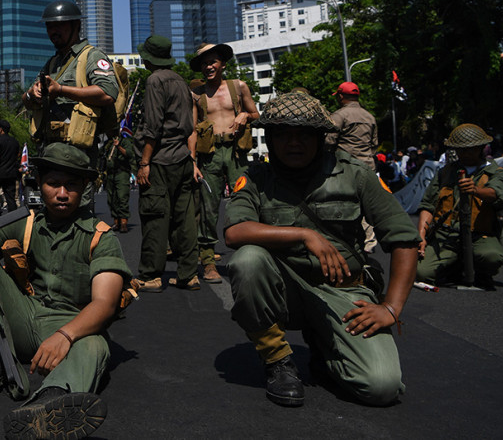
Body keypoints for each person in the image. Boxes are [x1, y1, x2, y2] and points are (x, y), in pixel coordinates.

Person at [224, 91, 420, 407]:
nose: (294, 143)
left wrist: (391, 308)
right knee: (248, 260)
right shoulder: (256, 178)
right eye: (283, 135)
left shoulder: (356, 173)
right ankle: (277, 360)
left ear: (320, 138)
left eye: (304, 134)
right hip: (283, 289)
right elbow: (235, 232)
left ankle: (326, 351)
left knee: (382, 386)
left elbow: (404, 239)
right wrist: (303, 234)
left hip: (342, 289)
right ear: (270, 139)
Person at [0, 142, 130, 439]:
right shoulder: (25, 222)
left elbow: (104, 305)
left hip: (71, 324)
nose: (62, 193)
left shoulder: (101, 238)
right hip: (24, 315)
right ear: (40, 185)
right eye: (53, 183)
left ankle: (49, 404)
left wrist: (65, 335)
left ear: (84, 188)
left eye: (71, 185)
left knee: (96, 346)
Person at [22, 0, 119, 210]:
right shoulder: (52, 63)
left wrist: (62, 90)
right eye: (49, 26)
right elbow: (27, 101)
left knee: (78, 213)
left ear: (76, 26)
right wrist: (31, 94)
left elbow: (108, 92)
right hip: (51, 152)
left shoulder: (91, 56)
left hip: (78, 153)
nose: (53, 31)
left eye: (59, 25)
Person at [131, 35, 199, 292]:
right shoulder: (180, 80)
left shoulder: (154, 80)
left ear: (148, 58)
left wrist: (144, 162)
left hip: (160, 160)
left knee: (155, 217)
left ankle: (150, 276)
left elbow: (153, 127)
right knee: (184, 220)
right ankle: (188, 274)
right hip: (182, 156)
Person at [190, 42, 259, 284]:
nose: (208, 67)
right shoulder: (196, 95)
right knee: (208, 209)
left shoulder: (238, 87)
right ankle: (208, 260)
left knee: (244, 201)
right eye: (204, 63)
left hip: (236, 152)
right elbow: (192, 130)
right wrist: (193, 162)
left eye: (212, 62)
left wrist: (245, 114)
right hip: (209, 154)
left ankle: (249, 254)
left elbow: (256, 115)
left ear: (222, 64)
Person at [416, 123, 503, 288]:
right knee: (421, 272)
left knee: (492, 258)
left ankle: (480, 271)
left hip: (479, 234)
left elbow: (496, 193)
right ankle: (454, 266)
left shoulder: (496, 172)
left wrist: (476, 190)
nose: (465, 153)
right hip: (446, 235)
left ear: (481, 148)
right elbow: (428, 205)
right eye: (461, 149)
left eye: (471, 149)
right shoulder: (445, 172)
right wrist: (421, 236)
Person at [103, 133, 136, 233]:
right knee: (112, 199)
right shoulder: (108, 143)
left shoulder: (125, 142)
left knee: (122, 197)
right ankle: (116, 221)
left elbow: (129, 154)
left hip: (121, 173)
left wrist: (118, 146)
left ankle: (124, 222)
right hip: (110, 174)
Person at [0, 119, 21, 215]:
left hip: (0, 173)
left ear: (1, 129)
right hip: (11, 173)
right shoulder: (15, 142)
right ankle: (13, 218)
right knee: (10, 197)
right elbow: (18, 154)